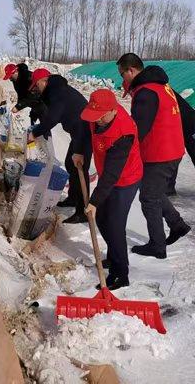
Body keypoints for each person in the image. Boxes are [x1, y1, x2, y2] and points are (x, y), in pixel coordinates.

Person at [117, 53, 190, 258]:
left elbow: (138, 129)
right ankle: (178, 225)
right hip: (171, 149)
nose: (122, 78)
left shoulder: (146, 92)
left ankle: (157, 246)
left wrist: (121, 152)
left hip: (159, 154)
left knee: (149, 198)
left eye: (122, 74)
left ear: (131, 70)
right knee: (153, 192)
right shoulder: (161, 86)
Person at [81, 88, 142, 290]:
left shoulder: (124, 132)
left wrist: (94, 201)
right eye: (94, 115)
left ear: (113, 110)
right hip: (108, 176)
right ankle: (115, 254)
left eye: (100, 116)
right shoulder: (97, 117)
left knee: (115, 225)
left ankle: (120, 274)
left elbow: (111, 175)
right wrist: (79, 151)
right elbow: (85, 133)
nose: (96, 120)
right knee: (101, 218)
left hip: (125, 180)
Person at [27, 68, 92, 224]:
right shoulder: (55, 89)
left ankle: (83, 211)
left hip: (85, 131)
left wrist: (35, 133)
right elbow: (49, 110)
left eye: (36, 85)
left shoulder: (57, 91)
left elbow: (53, 118)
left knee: (80, 168)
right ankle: (73, 198)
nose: (36, 89)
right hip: (78, 131)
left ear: (43, 81)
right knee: (70, 163)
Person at [166, 92, 195, 202]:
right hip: (173, 124)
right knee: (173, 155)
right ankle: (169, 188)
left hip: (188, 121)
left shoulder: (154, 88)